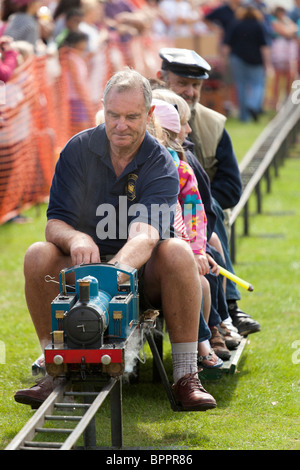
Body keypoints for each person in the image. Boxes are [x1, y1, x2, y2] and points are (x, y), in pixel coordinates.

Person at [14, 68, 217, 412]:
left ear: (149, 115)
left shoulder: (160, 162)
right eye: (113, 115)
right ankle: (55, 367)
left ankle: (186, 376)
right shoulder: (76, 150)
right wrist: (75, 236)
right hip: (82, 270)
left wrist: (115, 271)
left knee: (179, 252)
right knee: (37, 254)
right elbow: (54, 222)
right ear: (103, 108)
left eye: (132, 117)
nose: (121, 125)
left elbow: (148, 233)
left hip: (142, 273)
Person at [156, 47, 261, 337]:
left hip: (198, 210)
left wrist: (199, 205)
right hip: (152, 212)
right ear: (160, 79)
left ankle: (230, 307)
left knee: (209, 212)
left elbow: (231, 185)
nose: (190, 91)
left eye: (196, 85)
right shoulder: (144, 115)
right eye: (182, 84)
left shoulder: (214, 124)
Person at [149, 97, 223, 368]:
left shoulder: (180, 170)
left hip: (173, 251)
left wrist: (197, 250)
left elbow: (194, 215)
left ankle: (198, 348)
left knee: (202, 284)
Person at [223, 3, 272, 122]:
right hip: (256, 60)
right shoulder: (259, 25)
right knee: (258, 84)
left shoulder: (236, 24)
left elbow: (227, 44)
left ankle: (244, 116)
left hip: (238, 58)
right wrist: (268, 63)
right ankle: (253, 105)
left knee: (241, 86)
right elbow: (264, 46)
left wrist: (225, 59)